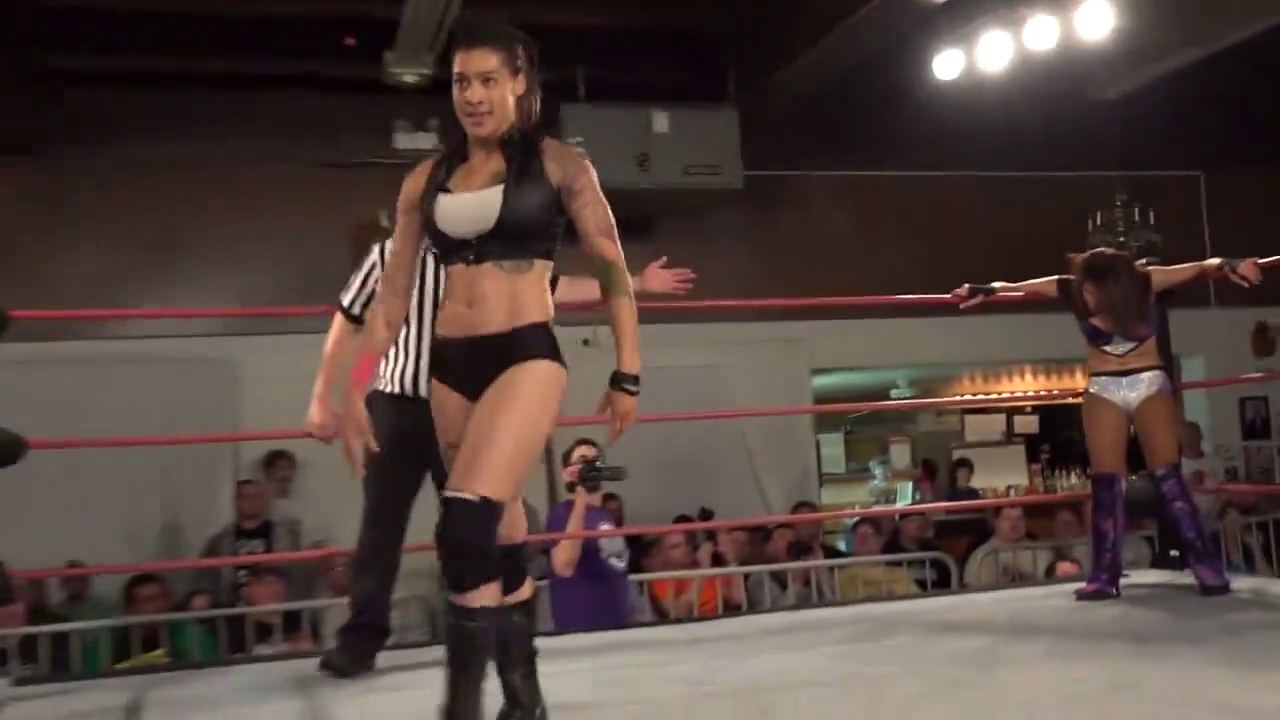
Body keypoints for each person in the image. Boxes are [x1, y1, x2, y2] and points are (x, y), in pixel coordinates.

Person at [359, 17, 641, 720]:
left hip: (524, 353)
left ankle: (462, 709)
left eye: (488, 80)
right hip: (448, 365)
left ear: (519, 83)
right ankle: (524, 699)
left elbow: (612, 268)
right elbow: (391, 299)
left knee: (464, 526)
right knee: (504, 530)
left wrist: (627, 372)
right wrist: (347, 389)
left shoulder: (560, 165)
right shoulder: (425, 179)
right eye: (461, 82)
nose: (473, 95)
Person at [305, 239, 690, 679]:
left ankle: (482, 630)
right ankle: (361, 639)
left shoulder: (493, 252)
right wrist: (327, 394)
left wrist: (636, 283)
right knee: (381, 525)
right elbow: (352, 321)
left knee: (473, 520)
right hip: (396, 403)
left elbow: (555, 286)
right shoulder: (389, 254)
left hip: (463, 403)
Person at [953, 249, 1263, 600]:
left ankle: (1206, 567)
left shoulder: (1145, 281)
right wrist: (986, 289)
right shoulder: (1072, 288)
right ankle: (1104, 575)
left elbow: (1199, 266)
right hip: (1103, 387)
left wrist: (1231, 265)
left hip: (1149, 381)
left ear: (1114, 286)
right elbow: (1018, 286)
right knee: (1106, 484)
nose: (1085, 295)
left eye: (1092, 289)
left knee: (1169, 478)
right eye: (1084, 288)